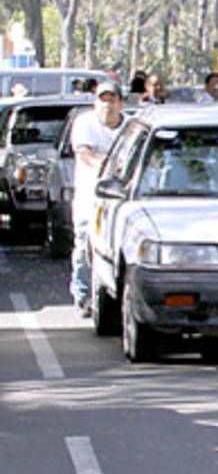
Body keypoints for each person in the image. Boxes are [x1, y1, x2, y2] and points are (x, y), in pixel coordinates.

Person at [70, 81, 128, 316]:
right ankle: (82, 295)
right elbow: (85, 154)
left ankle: (110, 296)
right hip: (89, 197)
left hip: (119, 200)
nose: (107, 105)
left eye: (112, 100)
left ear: (120, 103)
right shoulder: (84, 123)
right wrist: (108, 166)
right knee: (84, 245)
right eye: (102, 100)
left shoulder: (130, 127)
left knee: (113, 249)